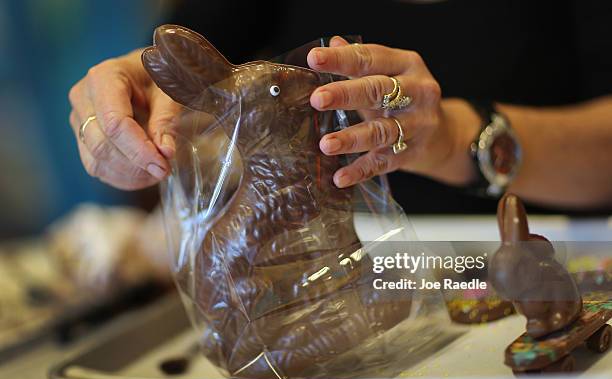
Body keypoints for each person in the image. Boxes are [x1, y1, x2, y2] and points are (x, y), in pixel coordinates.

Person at [68, 0, 612, 213]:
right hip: (331, 277)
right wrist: (128, 91)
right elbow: (181, 59)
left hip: (554, 256)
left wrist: (455, 140)